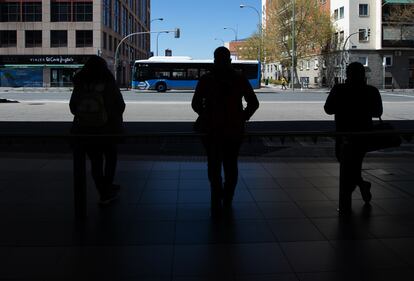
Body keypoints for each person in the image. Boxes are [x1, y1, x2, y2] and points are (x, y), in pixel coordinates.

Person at [192, 47, 259, 217]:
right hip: (234, 130)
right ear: (229, 59)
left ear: (215, 59)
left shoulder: (206, 79)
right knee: (231, 165)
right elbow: (253, 103)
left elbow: (195, 104)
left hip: (212, 131)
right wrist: (242, 117)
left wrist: (206, 115)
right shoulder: (239, 78)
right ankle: (228, 198)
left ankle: (216, 197)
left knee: (213, 166)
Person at [324, 62, 383, 215]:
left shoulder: (339, 89)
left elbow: (328, 109)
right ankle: (362, 186)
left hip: (343, 134)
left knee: (347, 165)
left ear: (347, 74)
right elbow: (378, 112)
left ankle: (347, 200)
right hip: (363, 134)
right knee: (355, 165)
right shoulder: (371, 90)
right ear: (363, 74)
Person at [70, 55, 126, 205]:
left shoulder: (80, 83)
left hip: (85, 131)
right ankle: (106, 188)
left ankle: (102, 189)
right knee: (110, 158)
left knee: (95, 162)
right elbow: (120, 105)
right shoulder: (108, 82)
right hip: (107, 130)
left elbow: (73, 107)